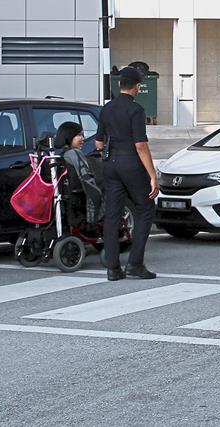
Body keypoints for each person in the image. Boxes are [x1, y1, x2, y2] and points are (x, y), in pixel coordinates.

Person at [95, 66, 159, 281]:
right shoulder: (136, 110)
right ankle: (135, 264)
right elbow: (140, 145)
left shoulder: (107, 109)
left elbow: (98, 143)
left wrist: (107, 155)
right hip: (130, 161)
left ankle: (113, 268)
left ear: (119, 84)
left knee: (113, 214)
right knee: (146, 208)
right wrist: (152, 176)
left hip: (110, 163)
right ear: (137, 87)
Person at [55, 121, 103, 231]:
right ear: (68, 136)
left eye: (83, 135)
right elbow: (87, 178)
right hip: (79, 197)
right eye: (78, 135)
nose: (82, 139)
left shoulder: (62, 155)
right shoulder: (74, 154)